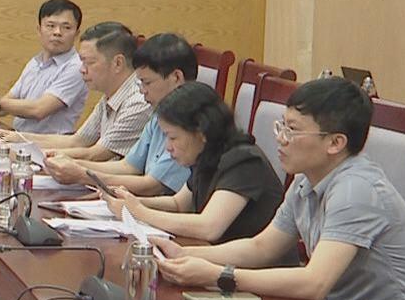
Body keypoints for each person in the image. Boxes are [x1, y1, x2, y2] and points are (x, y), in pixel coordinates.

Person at [154, 77, 405, 300]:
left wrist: (221, 276)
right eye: (282, 126)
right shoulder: (306, 180)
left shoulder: (356, 191)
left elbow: (315, 282)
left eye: (292, 130)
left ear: (335, 143)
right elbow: (262, 247)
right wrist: (184, 253)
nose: (280, 139)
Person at [98, 81, 283, 242]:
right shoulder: (207, 154)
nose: (168, 147)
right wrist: (132, 201)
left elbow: (208, 227)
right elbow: (178, 204)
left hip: (250, 268)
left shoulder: (244, 161)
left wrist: (139, 212)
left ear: (201, 132)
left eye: (172, 137)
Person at [44, 32, 196, 195]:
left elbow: (152, 185)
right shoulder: (159, 113)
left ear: (176, 77)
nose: (142, 90)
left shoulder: (191, 121)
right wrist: (73, 164)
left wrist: (83, 175)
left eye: (147, 82)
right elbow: (129, 166)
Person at [16, 22, 149, 162]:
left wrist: (28, 153)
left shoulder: (139, 101)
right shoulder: (110, 95)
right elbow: (77, 141)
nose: (82, 70)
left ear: (118, 63)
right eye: (82, 62)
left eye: (89, 62)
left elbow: (95, 154)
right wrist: (16, 138)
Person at [0, 0, 89, 135]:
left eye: (66, 27)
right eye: (50, 26)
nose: (57, 32)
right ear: (39, 30)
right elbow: (5, 107)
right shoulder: (35, 63)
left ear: (76, 34)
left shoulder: (77, 67)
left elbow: (39, 110)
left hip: (50, 144)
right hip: (19, 139)